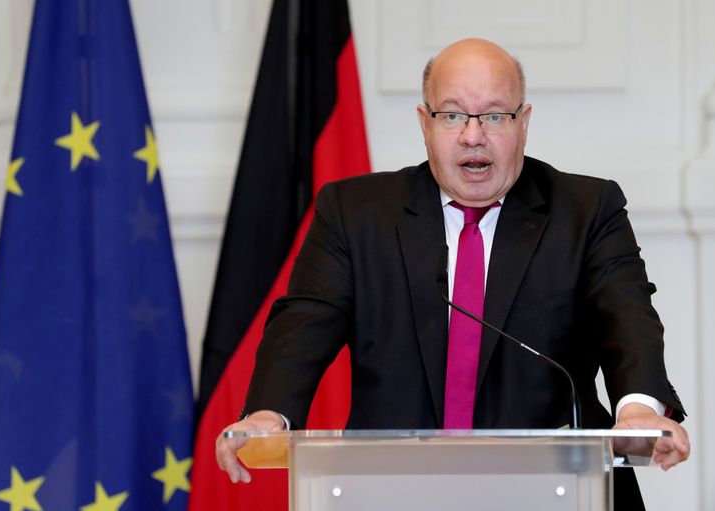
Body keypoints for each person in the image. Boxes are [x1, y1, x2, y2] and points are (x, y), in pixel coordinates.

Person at [215, 38, 690, 508]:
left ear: (524, 123)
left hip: (560, 488)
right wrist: (267, 414)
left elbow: (627, 316)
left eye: (495, 116)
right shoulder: (355, 214)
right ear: (425, 123)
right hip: (392, 490)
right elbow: (304, 321)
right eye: (453, 115)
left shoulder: (586, 211)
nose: (472, 136)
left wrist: (638, 412)